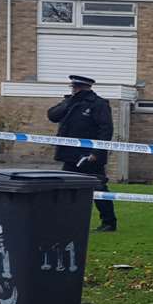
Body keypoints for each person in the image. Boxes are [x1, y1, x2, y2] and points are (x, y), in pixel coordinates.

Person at [47, 74, 117, 232]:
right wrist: (67, 103)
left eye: (75, 88)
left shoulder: (98, 104)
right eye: (73, 87)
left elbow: (106, 130)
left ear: (83, 87)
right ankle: (67, 220)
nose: (74, 90)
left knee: (99, 188)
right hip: (70, 155)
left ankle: (109, 222)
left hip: (89, 156)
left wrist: (97, 153)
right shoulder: (69, 103)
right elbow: (52, 115)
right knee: (66, 187)